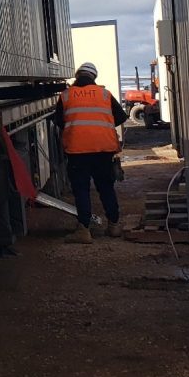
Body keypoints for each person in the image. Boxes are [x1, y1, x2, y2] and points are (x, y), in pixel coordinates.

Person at [53, 61, 127, 243]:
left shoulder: (66, 96)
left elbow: (58, 120)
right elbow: (121, 117)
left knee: (81, 190)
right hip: (103, 149)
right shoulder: (104, 94)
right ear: (94, 77)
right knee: (106, 187)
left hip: (78, 151)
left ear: (77, 76)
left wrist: (75, 128)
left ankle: (84, 230)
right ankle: (114, 225)